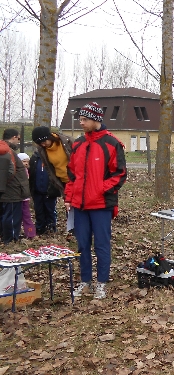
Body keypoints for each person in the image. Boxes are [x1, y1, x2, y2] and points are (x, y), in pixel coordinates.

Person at [65, 102, 127, 300]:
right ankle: (85, 281)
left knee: (101, 245)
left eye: (85, 119)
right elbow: (71, 174)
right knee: (82, 245)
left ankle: (101, 282)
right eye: (80, 119)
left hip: (101, 205)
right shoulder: (78, 144)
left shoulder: (112, 143)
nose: (81, 123)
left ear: (96, 119)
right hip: (79, 206)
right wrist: (69, 197)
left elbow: (120, 174)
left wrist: (100, 190)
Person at [31, 126, 73, 235]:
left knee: (78, 204)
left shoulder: (66, 142)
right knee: (69, 205)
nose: (43, 145)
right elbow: (49, 168)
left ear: (50, 137)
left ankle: (81, 229)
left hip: (75, 179)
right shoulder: (42, 150)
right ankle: (72, 229)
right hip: (62, 181)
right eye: (40, 143)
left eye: (44, 141)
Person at [0, 129, 30, 244]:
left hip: (6, 189)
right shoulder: (8, 151)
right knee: (12, 216)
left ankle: (4, 236)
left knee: (5, 215)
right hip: (12, 190)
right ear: (13, 137)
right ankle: (11, 239)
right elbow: (10, 172)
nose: (18, 141)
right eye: (18, 138)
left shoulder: (3, 149)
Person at [17, 153, 36, 240]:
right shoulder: (17, 171)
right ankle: (16, 233)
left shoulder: (27, 171)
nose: (26, 163)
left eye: (27, 162)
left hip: (25, 197)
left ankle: (30, 233)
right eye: (24, 161)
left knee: (26, 215)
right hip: (17, 197)